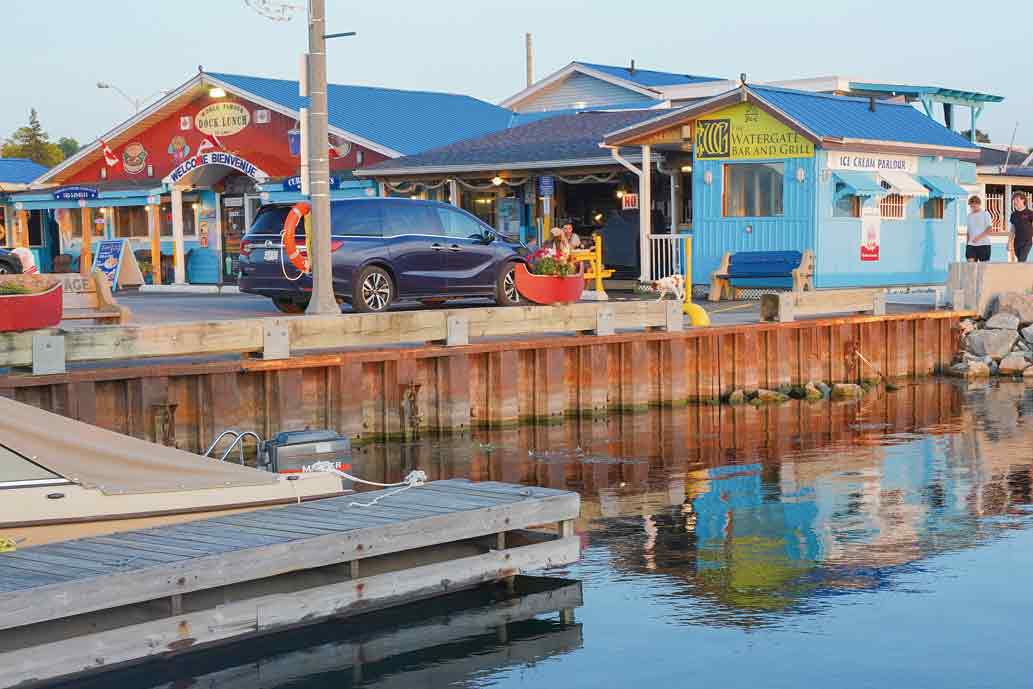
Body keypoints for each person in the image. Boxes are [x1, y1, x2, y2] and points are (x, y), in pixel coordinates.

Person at [965, 195, 994, 262]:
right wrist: (967, 244)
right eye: (971, 206)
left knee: (983, 269)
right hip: (971, 245)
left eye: (974, 206)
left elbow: (989, 229)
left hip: (984, 245)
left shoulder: (985, 214)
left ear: (979, 204)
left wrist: (978, 237)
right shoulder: (969, 216)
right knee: (970, 267)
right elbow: (968, 231)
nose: (972, 208)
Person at [1008, 192, 1033, 263]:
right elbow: (1012, 229)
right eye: (1014, 200)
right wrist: (1009, 242)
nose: (1015, 202)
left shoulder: (1030, 213)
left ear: (1023, 200)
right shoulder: (1014, 214)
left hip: (1027, 241)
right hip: (1017, 242)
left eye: (1017, 200)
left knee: (1022, 259)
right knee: (1020, 260)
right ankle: (1021, 273)